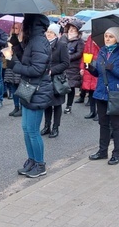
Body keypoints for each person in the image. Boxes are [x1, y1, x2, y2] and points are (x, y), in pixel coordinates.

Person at [4, 14, 53, 178]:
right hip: (29, 89)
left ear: (32, 25)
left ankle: (40, 164)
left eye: (25, 24)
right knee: (26, 129)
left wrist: (13, 65)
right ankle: (32, 160)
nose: (22, 26)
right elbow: (28, 59)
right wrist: (16, 44)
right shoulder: (34, 41)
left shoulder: (39, 41)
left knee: (32, 130)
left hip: (37, 90)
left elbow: (36, 70)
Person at [86, 27, 119, 165]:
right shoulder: (102, 51)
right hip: (101, 92)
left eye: (111, 36)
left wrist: (114, 69)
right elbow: (100, 73)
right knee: (103, 124)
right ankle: (102, 151)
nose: (107, 39)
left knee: (117, 125)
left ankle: (117, 154)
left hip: (117, 93)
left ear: (117, 39)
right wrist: (91, 68)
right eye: (106, 36)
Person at [41, 23, 70, 139]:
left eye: (51, 32)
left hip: (57, 79)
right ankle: (47, 126)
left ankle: (55, 127)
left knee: (57, 105)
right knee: (47, 104)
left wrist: (52, 70)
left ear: (56, 34)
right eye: (47, 32)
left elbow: (66, 63)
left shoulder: (61, 45)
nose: (48, 34)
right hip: (45, 79)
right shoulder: (43, 44)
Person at [63, 24, 84, 114]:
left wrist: (68, 57)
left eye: (74, 29)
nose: (71, 30)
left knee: (70, 87)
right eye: (70, 29)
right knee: (60, 85)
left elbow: (79, 53)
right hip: (63, 66)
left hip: (73, 67)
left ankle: (69, 106)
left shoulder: (79, 41)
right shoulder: (64, 39)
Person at [78, 32, 100, 119]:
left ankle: (99, 112)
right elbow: (86, 53)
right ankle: (92, 111)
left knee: (97, 91)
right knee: (90, 91)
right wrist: (83, 67)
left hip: (98, 66)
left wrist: (98, 45)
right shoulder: (90, 37)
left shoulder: (103, 38)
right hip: (90, 65)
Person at [4, 22, 23, 117]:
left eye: (17, 28)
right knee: (13, 87)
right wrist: (8, 50)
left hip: (19, 64)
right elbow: (7, 54)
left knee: (21, 87)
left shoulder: (23, 39)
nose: (15, 30)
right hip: (11, 64)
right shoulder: (10, 39)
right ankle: (16, 106)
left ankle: (22, 107)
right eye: (13, 28)